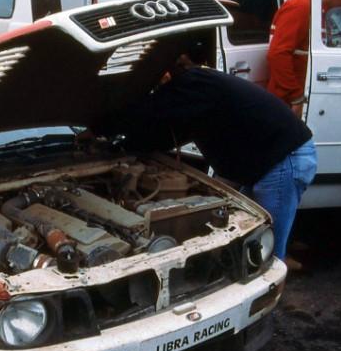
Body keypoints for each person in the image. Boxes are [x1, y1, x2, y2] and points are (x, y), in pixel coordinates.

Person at [96, 51, 317, 263]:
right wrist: (120, 149)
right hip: (265, 159)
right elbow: (166, 135)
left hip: (283, 159)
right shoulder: (197, 93)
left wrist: (100, 126)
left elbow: (152, 110)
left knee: (263, 250)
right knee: (245, 237)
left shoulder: (196, 82)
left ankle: (267, 293)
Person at [267, 0, 341, 118]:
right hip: (286, 100)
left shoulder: (317, 10)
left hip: (296, 96)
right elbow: (277, 54)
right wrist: (295, 97)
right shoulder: (301, 7)